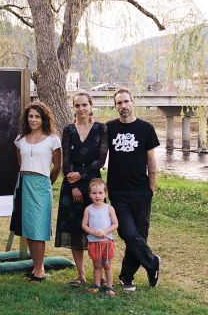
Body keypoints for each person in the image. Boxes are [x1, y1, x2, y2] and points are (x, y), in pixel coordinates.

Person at [107, 88, 160, 292]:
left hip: (141, 190)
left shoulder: (146, 128)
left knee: (140, 234)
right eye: (119, 103)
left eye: (126, 101)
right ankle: (152, 263)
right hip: (118, 191)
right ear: (115, 106)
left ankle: (126, 276)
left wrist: (151, 188)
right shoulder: (110, 128)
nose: (123, 106)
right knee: (128, 232)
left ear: (133, 102)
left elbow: (151, 160)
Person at [54, 92, 108, 287]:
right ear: (73, 108)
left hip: (95, 187)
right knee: (76, 230)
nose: (81, 109)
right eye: (77, 105)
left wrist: (82, 175)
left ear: (90, 105)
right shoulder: (68, 130)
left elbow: (101, 160)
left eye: (84, 105)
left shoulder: (101, 129)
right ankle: (81, 274)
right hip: (72, 189)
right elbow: (66, 160)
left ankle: (99, 273)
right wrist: (74, 185)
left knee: (97, 229)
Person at [9, 101, 62, 283]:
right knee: (28, 228)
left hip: (41, 185)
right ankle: (36, 267)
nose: (33, 119)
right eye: (30, 116)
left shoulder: (53, 140)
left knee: (39, 228)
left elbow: (57, 167)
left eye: (37, 116)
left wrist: (46, 183)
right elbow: (20, 164)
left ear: (44, 118)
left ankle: (39, 270)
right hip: (24, 184)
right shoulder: (20, 140)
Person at [82, 178, 118, 297]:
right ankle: (97, 284)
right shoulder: (88, 209)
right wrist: (92, 232)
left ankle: (109, 286)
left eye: (100, 193)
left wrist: (105, 231)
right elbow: (84, 225)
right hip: (94, 242)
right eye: (94, 193)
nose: (97, 196)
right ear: (89, 194)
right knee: (97, 265)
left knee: (107, 265)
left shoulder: (109, 208)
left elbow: (115, 224)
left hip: (107, 242)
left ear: (105, 194)